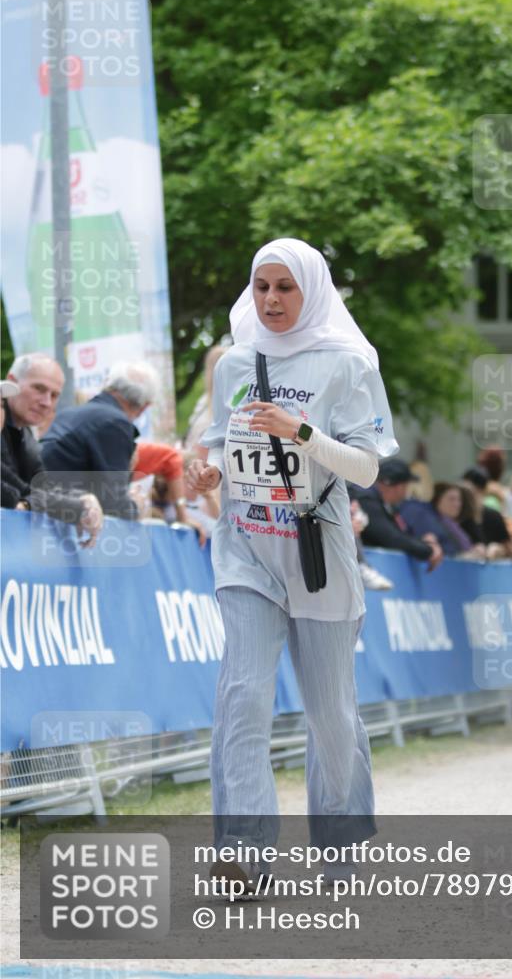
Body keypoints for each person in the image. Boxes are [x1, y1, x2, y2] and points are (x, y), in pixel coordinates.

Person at [186, 238, 398, 891]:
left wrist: (300, 432)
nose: (271, 300)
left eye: (286, 287)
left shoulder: (348, 361)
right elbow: (222, 445)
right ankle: (244, 852)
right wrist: (206, 469)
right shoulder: (233, 363)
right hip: (247, 547)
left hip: (318, 551)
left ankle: (339, 850)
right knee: (243, 694)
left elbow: (366, 468)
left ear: (311, 289)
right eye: (262, 287)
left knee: (330, 712)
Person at [1, 355, 102, 543]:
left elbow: (42, 487)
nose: (46, 402)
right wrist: (76, 506)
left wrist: (84, 499)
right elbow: (14, 492)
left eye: (54, 395)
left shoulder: (25, 435)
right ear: (12, 381)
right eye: (39, 388)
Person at [41, 360, 159, 519]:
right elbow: (113, 505)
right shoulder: (115, 423)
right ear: (144, 406)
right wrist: (136, 505)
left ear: (108, 385)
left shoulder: (68, 414)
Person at [351, 458, 444, 570]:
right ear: (399, 487)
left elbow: (398, 535)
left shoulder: (380, 503)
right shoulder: (365, 499)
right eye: (406, 486)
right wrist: (428, 550)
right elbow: (392, 538)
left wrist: (423, 543)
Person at [399, 481, 473, 557]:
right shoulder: (424, 517)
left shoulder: (452, 524)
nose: (457, 504)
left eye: (459, 499)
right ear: (438, 499)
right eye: (451, 499)